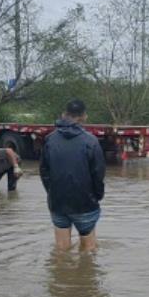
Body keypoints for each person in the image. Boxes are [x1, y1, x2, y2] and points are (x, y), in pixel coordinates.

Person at [39, 99, 106, 252]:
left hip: (58, 202)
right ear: (84, 116)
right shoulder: (91, 141)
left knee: (61, 250)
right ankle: (84, 275)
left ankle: (62, 274)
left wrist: (52, 192)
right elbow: (98, 174)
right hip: (85, 203)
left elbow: (44, 171)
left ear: (64, 114)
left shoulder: (50, 139)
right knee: (89, 250)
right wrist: (97, 196)